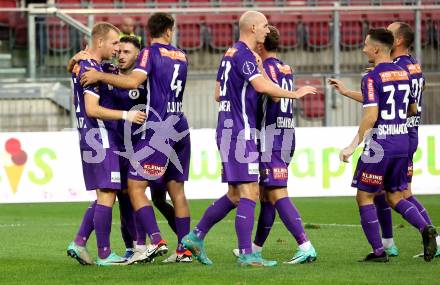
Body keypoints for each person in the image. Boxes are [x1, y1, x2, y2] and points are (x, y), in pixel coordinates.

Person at [182, 11, 317, 267]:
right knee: (250, 192)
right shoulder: (244, 54)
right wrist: (295, 93)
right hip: (240, 132)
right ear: (253, 27)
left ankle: (195, 236)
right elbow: (264, 88)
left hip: (227, 129)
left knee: (234, 194)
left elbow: (217, 94)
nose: (268, 30)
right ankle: (247, 254)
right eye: (265, 26)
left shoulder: (230, 55)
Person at [80, 13, 192, 264]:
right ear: (169, 30)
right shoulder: (182, 55)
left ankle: (156, 241)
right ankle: (182, 249)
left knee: (134, 187)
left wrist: (99, 76)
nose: (120, 55)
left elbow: (132, 80)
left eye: (126, 51)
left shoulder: (150, 54)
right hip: (179, 125)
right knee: (175, 192)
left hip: (157, 128)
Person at [329, 22, 440, 258]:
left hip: (380, 144)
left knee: (364, 195)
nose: (363, 49)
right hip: (403, 141)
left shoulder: (371, 77)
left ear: (377, 49)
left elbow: (371, 115)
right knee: (395, 195)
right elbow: (412, 108)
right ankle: (425, 228)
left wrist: (352, 145)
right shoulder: (404, 72)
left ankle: (379, 251)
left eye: (366, 46)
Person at [231, 25, 317, 264]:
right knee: (267, 195)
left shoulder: (265, 67)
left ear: (260, 44)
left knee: (277, 193)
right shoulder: (285, 67)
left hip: (272, 137)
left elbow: (272, 95)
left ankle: (305, 244)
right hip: (286, 133)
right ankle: (255, 248)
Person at [67, 23, 146, 266]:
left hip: (93, 136)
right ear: (100, 42)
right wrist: (126, 115)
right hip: (99, 135)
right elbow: (92, 109)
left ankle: (79, 243)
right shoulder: (89, 67)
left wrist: (71, 60)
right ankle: (104, 254)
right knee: (107, 193)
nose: (117, 49)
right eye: (114, 44)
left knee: (105, 193)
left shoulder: (87, 64)